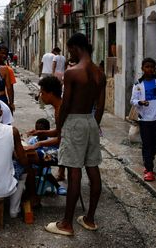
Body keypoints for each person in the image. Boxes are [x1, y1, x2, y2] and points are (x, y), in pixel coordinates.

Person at [45, 32, 106, 236]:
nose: (69, 53)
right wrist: (92, 126)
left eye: (70, 49)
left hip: (74, 120)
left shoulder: (73, 72)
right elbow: (100, 107)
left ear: (76, 48)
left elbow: (66, 104)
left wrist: (61, 126)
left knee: (73, 171)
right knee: (93, 168)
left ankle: (67, 224)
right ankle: (90, 219)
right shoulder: (99, 73)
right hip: (90, 121)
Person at [130, 57, 156, 182]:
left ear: (154, 69)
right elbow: (133, 100)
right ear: (142, 68)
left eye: (152, 67)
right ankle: (149, 169)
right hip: (144, 118)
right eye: (147, 67)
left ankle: (148, 162)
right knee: (146, 144)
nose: (149, 69)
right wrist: (140, 102)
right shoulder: (138, 85)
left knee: (155, 143)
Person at [26, 118, 66, 196]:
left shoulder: (52, 141)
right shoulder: (32, 141)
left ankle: (58, 186)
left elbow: (55, 155)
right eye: (37, 129)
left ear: (47, 131)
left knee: (45, 171)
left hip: (45, 164)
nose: (39, 132)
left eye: (41, 130)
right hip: (34, 165)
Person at [0, 46, 16, 111]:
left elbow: (10, 88)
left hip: (1, 98)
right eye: (2, 53)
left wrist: (11, 103)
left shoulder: (9, 70)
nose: (4, 56)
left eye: (6, 54)